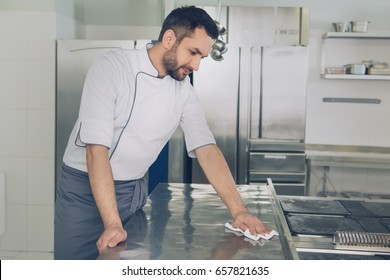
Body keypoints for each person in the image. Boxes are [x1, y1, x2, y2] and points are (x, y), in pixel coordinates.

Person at [54, 5, 269, 260]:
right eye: (193, 52)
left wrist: (238, 211)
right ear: (169, 39)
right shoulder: (112, 68)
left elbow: (206, 149)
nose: (197, 65)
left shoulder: (184, 90)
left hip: (132, 191)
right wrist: (112, 223)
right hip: (84, 192)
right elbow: (95, 151)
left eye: (202, 57)